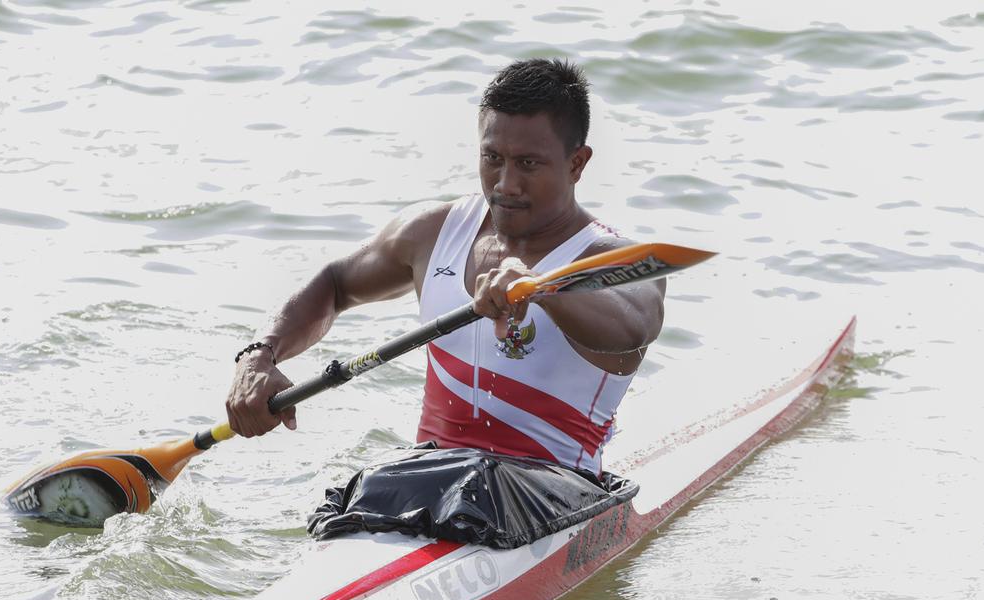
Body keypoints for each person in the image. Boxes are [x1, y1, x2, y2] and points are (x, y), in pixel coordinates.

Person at [226, 58, 665, 474]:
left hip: (554, 489)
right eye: (493, 158)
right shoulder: (434, 232)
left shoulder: (615, 259)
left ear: (577, 163)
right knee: (366, 488)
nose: (506, 184)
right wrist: (260, 356)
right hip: (435, 481)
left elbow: (632, 327)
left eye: (528, 164)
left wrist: (543, 288)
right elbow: (336, 284)